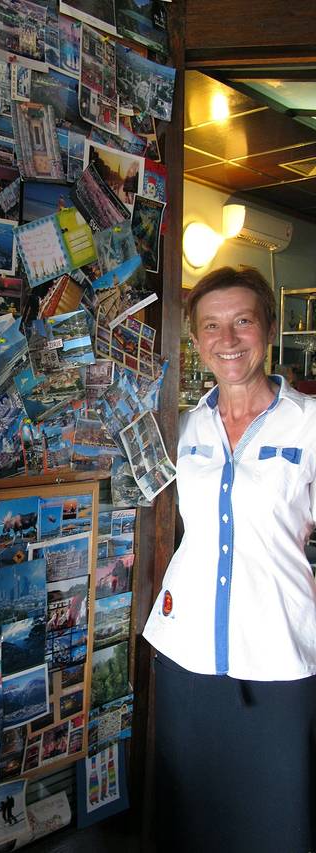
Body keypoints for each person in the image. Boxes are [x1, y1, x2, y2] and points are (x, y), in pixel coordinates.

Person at [143, 266, 316, 852]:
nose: (228, 338)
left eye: (243, 321)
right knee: (193, 816)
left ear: (269, 329)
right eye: (212, 326)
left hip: (278, 656)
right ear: (196, 341)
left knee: (278, 818)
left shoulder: (309, 424)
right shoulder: (185, 427)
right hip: (185, 653)